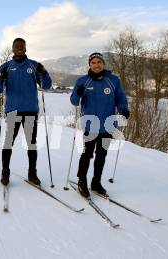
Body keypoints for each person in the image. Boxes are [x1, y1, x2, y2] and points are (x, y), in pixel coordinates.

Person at [0, 37, 52, 186]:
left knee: (31, 143)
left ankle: (32, 173)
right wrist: (0, 78)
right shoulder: (5, 66)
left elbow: (46, 85)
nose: (19, 47)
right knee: (8, 143)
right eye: (17, 46)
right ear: (12, 49)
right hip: (12, 111)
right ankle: (5, 172)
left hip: (30, 110)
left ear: (26, 48)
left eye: (22, 46)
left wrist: (44, 72)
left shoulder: (34, 65)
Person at [70, 52, 129, 198]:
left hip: (108, 124)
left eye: (99, 62)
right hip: (90, 125)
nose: (96, 65)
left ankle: (96, 183)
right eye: (93, 63)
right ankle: (81, 181)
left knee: (101, 155)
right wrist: (78, 92)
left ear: (103, 64)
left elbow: (121, 98)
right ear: (89, 65)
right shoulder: (83, 81)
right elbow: (74, 101)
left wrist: (124, 109)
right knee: (87, 154)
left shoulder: (113, 80)